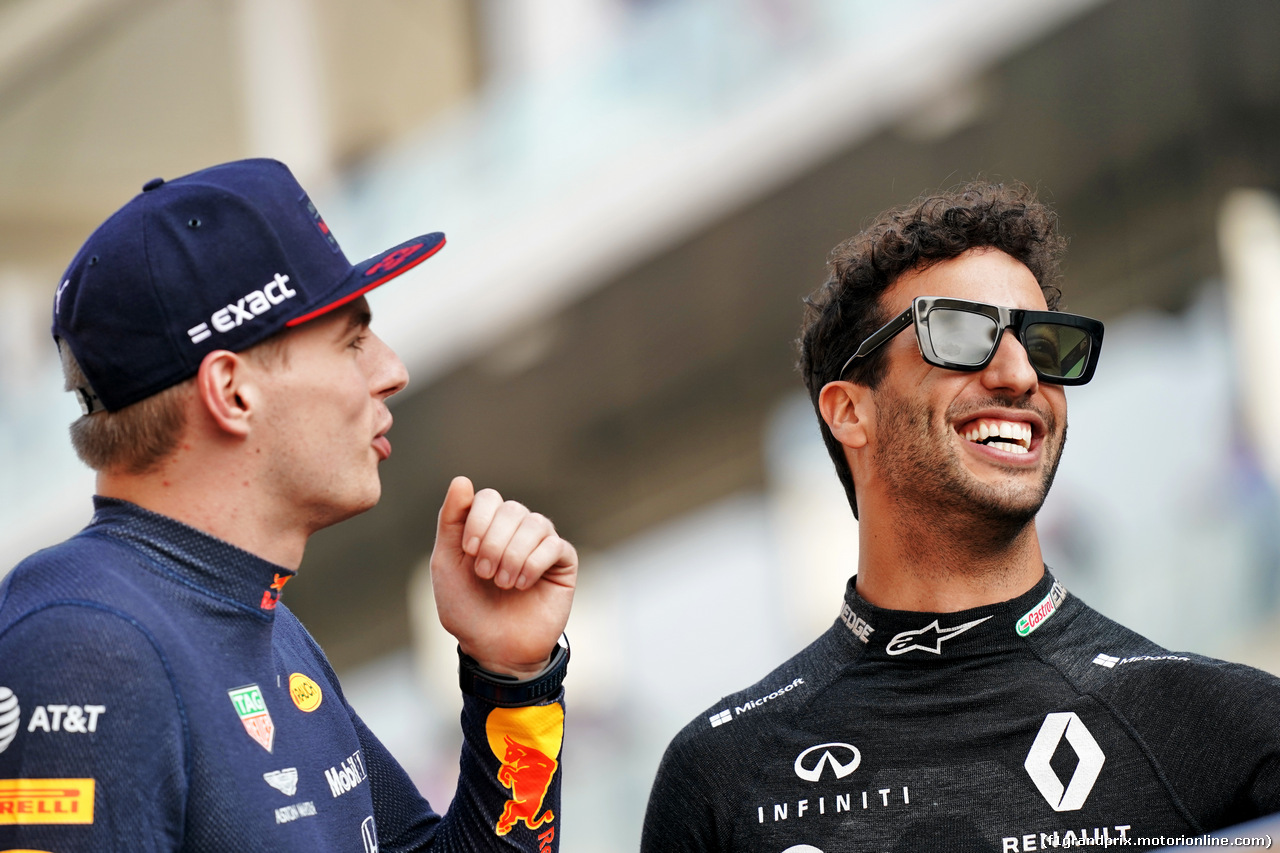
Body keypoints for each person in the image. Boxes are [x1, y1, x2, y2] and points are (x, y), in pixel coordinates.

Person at [641, 182, 1280, 853]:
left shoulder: (1230, 732)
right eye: (959, 332)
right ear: (849, 411)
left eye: (1044, 343)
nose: (1018, 374)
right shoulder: (722, 777)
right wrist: (522, 687)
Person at [0, 159, 576, 852]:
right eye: (352, 340)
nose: (391, 370)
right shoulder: (86, 643)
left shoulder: (253, 619)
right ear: (233, 392)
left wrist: (512, 677)